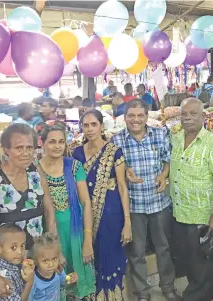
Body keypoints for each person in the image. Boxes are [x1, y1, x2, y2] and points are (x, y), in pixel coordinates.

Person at [112, 99, 181, 301]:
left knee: (164, 248)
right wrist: (126, 171)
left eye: (140, 115)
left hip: (159, 202)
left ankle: (168, 287)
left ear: (146, 117)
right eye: (131, 116)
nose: (136, 120)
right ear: (124, 118)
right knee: (137, 252)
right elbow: (115, 171)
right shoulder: (117, 141)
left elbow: (168, 160)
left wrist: (164, 175)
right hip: (133, 206)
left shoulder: (159, 134)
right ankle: (142, 292)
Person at [0, 123, 57, 298]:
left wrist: (53, 250)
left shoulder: (37, 174)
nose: (26, 153)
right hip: (10, 264)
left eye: (30, 147)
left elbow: (50, 213)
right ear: (6, 150)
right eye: (19, 148)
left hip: (38, 258)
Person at [170, 98, 213, 301]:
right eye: (184, 114)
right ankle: (204, 292)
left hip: (202, 215)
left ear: (203, 117)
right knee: (189, 259)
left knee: (203, 260)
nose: (187, 118)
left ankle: (197, 295)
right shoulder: (176, 138)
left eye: (193, 114)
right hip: (180, 212)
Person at [72, 109, 132, 300]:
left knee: (111, 256)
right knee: (91, 257)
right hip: (85, 215)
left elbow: (122, 188)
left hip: (112, 214)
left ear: (101, 126)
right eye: (86, 125)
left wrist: (127, 223)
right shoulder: (76, 154)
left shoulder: (114, 152)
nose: (89, 129)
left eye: (93, 124)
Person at [38, 123, 96, 300]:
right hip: (51, 235)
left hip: (76, 234)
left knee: (80, 287)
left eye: (61, 142)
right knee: (56, 283)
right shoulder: (36, 169)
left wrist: (87, 240)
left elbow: (86, 202)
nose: (57, 146)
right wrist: (54, 248)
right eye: (52, 142)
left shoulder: (74, 166)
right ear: (42, 143)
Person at [0, 224, 34, 301]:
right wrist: (30, 282)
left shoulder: (15, 263)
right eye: (14, 247)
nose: (20, 252)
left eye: (22, 245)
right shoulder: (5, 275)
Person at [28, 233, 78, 301]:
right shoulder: (33, 280)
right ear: (36, 262)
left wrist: (72, 278)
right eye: (45, 261)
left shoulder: (58, 271)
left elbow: (64, 280)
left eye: (54, 259)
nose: (51, 265)